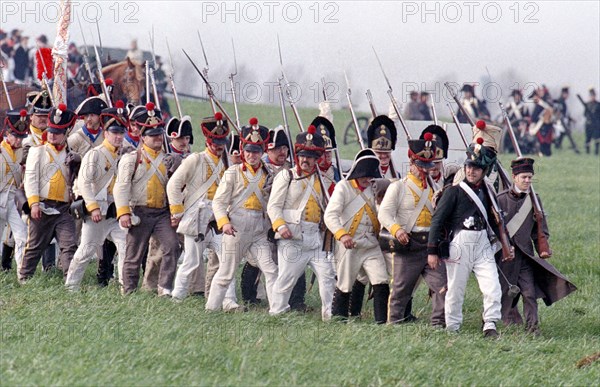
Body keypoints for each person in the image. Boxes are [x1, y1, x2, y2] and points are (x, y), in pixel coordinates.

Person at [427, 139, 513, 338]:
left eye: (477, 168)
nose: (471, 171)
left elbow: (494, 220)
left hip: (482, 243)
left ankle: (490, 324)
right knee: (456, 289)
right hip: (460, 243)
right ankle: (452, 327)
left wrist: (507, 243)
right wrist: (432, 251)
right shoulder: (453, 192)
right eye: (469, 166)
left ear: (484, 171)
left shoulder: (488, 193)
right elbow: (437, 221)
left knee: (492, 286)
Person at [168, 112, 240, 310]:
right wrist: (177, 211)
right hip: (197, 218)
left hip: (217, 219)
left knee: (227, 260)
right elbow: (173, 185)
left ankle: (227, 301)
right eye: (216, 141)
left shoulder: (227, 163)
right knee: (191, 262)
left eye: (222, 141)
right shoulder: (195, 160)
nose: (219, 145)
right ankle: (177, 298)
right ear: (208, 140)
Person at [205, 117, 278, 311]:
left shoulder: (269, 174)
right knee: (226, 273)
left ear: (262, 152)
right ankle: (210, 309)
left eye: (256, 151)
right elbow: (219, 202)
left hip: (259, 231)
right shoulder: (233, 173)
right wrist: (224, 222)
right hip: (236, 228)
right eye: (248, 151)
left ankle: (277, 311)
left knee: (271, 270)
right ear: (243, 151)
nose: (252, 155)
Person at [497, 158, 577, 335]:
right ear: (514, 177)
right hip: (505, 256)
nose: (527, 181)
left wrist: (542, 246)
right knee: (502, 293)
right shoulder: (500, 200)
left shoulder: (534, 199)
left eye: (529, 177)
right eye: (524, 177)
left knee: (529, 293)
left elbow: (541, 229)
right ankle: (490, 324)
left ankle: (533, 328)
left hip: (526, 255)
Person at [267, 125, 335, 321]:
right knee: (286, 279)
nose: (306, 160)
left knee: (327, 275)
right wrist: (280, 226)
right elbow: (273, 206)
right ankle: (277, 313)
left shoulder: (322, 179)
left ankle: (329, 314)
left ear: (316, 158)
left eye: (311, 156)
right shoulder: (286, 176)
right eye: (303, 155)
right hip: (292, 234)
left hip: (314, 237)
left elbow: (326, 206)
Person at [379, 134, 447, 327]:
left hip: (431, 245)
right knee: (400, 290)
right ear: (411, 162)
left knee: (442, 287)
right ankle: (394, 323)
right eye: (421, 166)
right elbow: (384, 213)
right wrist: (397, 230)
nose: (425, 170)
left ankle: (438, 325)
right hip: (408, 243)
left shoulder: (436, 188)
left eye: (428, 166)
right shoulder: (398, 187)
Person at [113, 102, 181, 296]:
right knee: (134, 256)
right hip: (140, 211)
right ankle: (129, 291)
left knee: (172, 246)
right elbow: (122, 186)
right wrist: (123, 212)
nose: (157, 138)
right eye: (152, 135)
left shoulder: (168, 159)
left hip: (161, 212)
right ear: (143, 137)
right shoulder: (131, 159)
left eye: (159, 134)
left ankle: (165, 287)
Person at [65, 102, 129, 291]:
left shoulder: (124, 156)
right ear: (106, 133)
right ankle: (71, 287)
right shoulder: (95, 155)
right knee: (86, 250)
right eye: (114, 133)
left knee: (125, 248)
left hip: (115, 211)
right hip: (97, 211)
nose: (118, 137)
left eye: (120, 133)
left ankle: (125, 288)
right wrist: (92, 207)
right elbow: (84, 183)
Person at [324, 149, 389, 323]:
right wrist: (342, 235)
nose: (367, 180)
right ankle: (340, 319)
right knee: (345, 284)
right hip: (349, 244)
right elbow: (330, 215)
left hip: (371, 244)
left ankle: (382, 322)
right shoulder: (343, 187)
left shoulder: (375, 188)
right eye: (364, 176)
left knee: (381, 280)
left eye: (370, 176)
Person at [19, 104, 80, 282]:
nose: (52, 134)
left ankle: (71, 282)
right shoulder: (37, 152)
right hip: (43, 206)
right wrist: (34, 203)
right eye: (51, 130)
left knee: (69, 245)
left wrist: (78, 161)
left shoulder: (71, 154)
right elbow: (31, 179)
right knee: (34, 247)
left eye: (58, 132)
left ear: (66, 134)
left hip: (63, 209)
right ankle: (24, 278)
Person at [0, 109, 30, 272]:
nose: (18, 141)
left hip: (13, 199)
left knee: (21, 235)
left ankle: (22, 272)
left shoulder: (25, 154)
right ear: (8, 133)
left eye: (21, 137)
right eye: (15, 136)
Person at [367, 115, 398, 179]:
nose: (383, 156)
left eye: (386, 152)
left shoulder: (397, 175)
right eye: (379, 152)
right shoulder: (364, 175)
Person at [583, 88, 600, 155]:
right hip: (589, 124)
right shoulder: (587, 104)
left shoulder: (598, 104)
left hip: (596, 124)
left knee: (597, 138)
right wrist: (589, 117)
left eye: (593, 95)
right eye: (591, 95)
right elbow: (584, 114)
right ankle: (587, 152)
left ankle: (596, 152)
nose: (592, 97)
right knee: (588, 138)